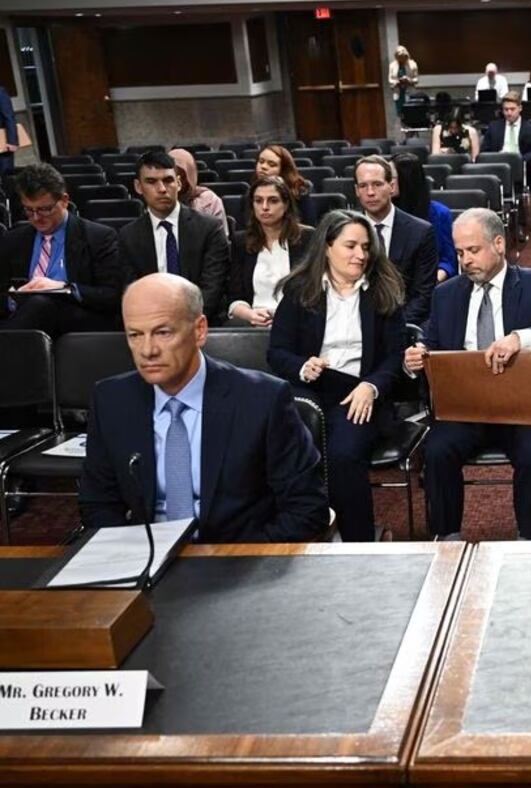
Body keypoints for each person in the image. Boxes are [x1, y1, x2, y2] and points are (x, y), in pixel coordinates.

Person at [79, 273, 328, 543]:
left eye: (163, 333)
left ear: (199, 330)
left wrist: (234, 559)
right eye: (135, 335)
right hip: (146, 558)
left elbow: (307, 508)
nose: (147, 350)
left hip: (238, 557)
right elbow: (98, 504)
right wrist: (133, 556)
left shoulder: (262, 399)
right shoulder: (111, 400)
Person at [404, 208, 531, 540]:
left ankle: (526, 537)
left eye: (473, 250)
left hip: (523, 405)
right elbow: (431, 343)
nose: (465, 261)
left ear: (499, 244)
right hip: (465, 408)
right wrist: (417, 356)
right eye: (460, 252)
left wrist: (521, 338)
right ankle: (447, 538)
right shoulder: (446, 294)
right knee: (437, 450)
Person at [268, 211, 407, 542]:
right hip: (311, 390)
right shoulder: (300, 290)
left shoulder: (382, 290)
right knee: (289, 449)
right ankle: (302, 536)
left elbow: (395, 356)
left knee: (343, 454)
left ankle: (357, 543)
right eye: (351, 246)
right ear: (327, 247)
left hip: (358, 391)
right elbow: (277, 352)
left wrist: (372, 386)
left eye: (365, 247)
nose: (360, 255)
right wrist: (303, 366)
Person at [0, 162, 123, 335]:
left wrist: (64, 288)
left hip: (78, 320)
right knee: (35, 306)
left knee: (40, 305)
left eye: (44, 209)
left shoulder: (98, 237)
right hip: (25, 319)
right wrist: (14, 299)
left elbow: (112, 295)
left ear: (64, 201)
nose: (36, 218)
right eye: (29, 210)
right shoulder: (13, 240)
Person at [118, 150, 230, 321]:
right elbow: (132, 290)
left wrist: (183, 322)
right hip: (152, 323)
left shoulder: (209, 228)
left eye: (168, 180)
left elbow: (212, 289)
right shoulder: (128, 236)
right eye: (151, 182)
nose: (162, 189)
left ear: (178, 183)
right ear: (138, 187)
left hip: (200, 320)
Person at [353, 155, 438, 326]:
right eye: (363, 186)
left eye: (377, 184)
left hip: (404, 324)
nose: (370, 192)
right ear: (356, 190)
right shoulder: (344, 232)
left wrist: (393, 328)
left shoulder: (420, 232)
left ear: (391, 186)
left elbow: (423, 295)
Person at [227, 175, 310, 327]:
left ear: (286, 204)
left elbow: (314, 291)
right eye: (258, 201)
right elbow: (235, 297)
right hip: (254, 322)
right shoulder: (241, 242)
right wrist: (250, 315)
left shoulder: (307, 238)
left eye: (273, 201)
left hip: (297, 321)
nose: (264, 207)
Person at [391, 151, 458, 281]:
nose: (386, 181)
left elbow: (448, 261)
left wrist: (432, 280)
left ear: (406, 179)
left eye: (390, 177)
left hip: (430, 281)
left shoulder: (440, 214)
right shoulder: (384, 212)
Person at [480, 91, 531, 205]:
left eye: (512, 109)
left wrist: (521, 160)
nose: (509, 113)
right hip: (498, 165)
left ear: (520, 108)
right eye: (506, 110)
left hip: (521, 165)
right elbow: (484, 152)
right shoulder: (494, 127)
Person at [169, 148, 228, 235]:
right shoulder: (158, 199)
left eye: (182, 176)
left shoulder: (209, 200)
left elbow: (221, 237)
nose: (178, 181)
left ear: (190, 176)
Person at [388, 45, 419, 119]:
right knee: (401, 114)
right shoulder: (392, 65)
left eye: (403, 58)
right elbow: (390, 80)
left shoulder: (413, 64)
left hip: (409, 92)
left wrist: (409, 80)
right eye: (400, 58)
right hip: (398, 93)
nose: (402, 60)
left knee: (411, 113)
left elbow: (416, 79)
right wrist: (396, 82)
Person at [1, 84, 20, 175]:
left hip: (3, 142)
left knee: (5, 173)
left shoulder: (0, 93)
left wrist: (12, 141)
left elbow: (9, 117)